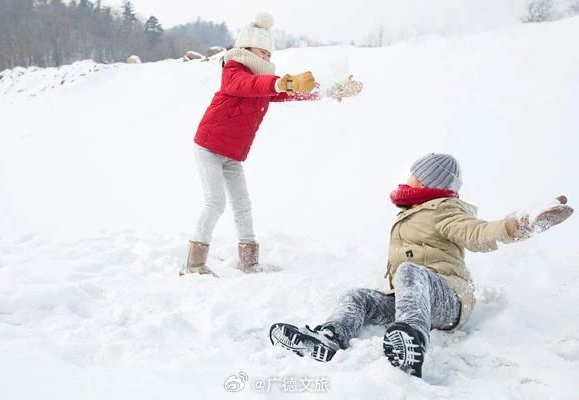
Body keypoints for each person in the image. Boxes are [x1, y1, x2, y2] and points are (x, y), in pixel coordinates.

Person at [269, 153, 573, 378]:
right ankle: (329, 338)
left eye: (413, 174)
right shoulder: (416, 210)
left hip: (447, 299)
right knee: (358, 296)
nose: (407, 178)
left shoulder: (444, 209)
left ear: (427, 181)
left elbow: (477, 233)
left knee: (410, 271)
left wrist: (518, 225)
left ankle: (411, 342)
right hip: (413, 299)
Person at [180, 13, 318, 277]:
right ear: (245, 49)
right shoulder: (233, 70)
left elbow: (282, 92)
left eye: (269, 53)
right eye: (261, 51)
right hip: (209, 147)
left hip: (232, 154)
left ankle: (249, 262)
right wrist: (282, 81)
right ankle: (193, 265)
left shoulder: (263, 82)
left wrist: (326, 91)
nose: (266, 57)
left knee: (243, 205)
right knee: (215, 202)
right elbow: (249, 85)